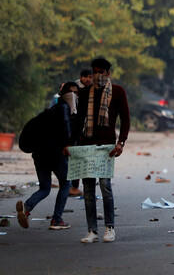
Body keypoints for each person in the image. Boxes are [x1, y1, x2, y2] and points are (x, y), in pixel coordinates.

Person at [75, 57, 130, 243]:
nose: (97, 75)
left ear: (108, 73)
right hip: (86, 146)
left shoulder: (118, 92)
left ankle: (110, 228)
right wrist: (69, 144)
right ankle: (92, 230)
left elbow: (125, 119)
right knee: (88, 190)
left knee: (105, 187)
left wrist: (121, 142)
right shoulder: (85, 94)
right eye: (94, 72)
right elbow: (77, 121)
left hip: (107, 147)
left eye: (101, 72)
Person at [16, 82, 78, 231]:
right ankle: (57, 219)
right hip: (55, 154)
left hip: (39, 155)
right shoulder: (64, 109)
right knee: (66, 183)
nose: (73, 95)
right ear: (63, 94)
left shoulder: (50, 111)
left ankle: (26, 207)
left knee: (45, 188)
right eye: (70, 92)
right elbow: (65, 129)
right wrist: (68, 143)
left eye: (75, 92)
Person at [70, 69, 93, 197]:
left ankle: (82, 187)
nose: (88, 79)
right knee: (76, 159)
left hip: (88, 129)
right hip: (76, 129)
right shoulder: (75, 89)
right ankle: (74, 187)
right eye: (86, 77)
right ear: (81, 77)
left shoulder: (93, 90)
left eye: (90, 77)